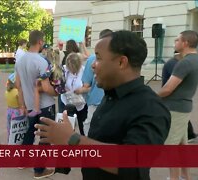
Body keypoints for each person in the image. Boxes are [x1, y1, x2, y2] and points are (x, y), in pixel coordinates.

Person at [34, 30, 171, 180]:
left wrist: (73, 139)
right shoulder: (110, 96)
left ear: (121, 62)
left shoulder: (151, 108)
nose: (92, 65)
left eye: (98, 58)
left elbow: (133, 165)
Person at [14, 30, 56, 179]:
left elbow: (17, 84)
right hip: (45, 105)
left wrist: (22, 105)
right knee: (46, 137)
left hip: (31, 104)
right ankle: (39, 170)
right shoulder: (41, 61)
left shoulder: (20, 60)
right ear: (40, 41)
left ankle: (22, 161)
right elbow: (45, 88)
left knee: (30, 131)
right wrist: (57, 91)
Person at [158, 30, 198, 180]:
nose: (175, 43)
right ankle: (186, 177)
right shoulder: (196, 59)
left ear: (185, 43)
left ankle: (174, 178)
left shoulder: (185, 62)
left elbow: (168, 89)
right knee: (182, 146)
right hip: (184, 107)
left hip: (175, 109)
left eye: (177, 40)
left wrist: (151, 97)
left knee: (171, 146)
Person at [74, 29, 112, 136]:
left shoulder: (92, 60)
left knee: (90, 131)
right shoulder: (118, 59)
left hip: (95, 104)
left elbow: (86, 85)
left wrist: (78, 91)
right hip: (113, 103)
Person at [161, 51, 198, 142]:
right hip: (175, 102)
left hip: (177, 103)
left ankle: (190, 135)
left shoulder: (183, 63)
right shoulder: (174, 63)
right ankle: (190, 135)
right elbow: (169, 88)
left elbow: (169, 88)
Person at [29, 46, 66, 117]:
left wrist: (38, 79)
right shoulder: (60, 67)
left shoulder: (49, 66)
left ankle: (36, 109)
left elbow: (45, 75)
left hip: (53, 87)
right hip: (59, 87)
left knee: (36, 89)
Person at [61, 52, 87, 135]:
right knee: (67, 127)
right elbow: (56, 84)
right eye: (69, 67)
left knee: (82, 125)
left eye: (73, 67)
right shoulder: (63, 70)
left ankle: (84, 143)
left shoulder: (84, 70)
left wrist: (82, 90)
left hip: (80, 103)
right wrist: (63, 88)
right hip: (67, 102)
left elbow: (91, 86)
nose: (71, 69)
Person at [4, 73, 22, 143]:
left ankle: (10, 140)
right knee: (17, 127)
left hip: (9, 111)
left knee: (10, 127)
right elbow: (20, 103)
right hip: (17, 111)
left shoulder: (7, 91)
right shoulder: (17, 92)